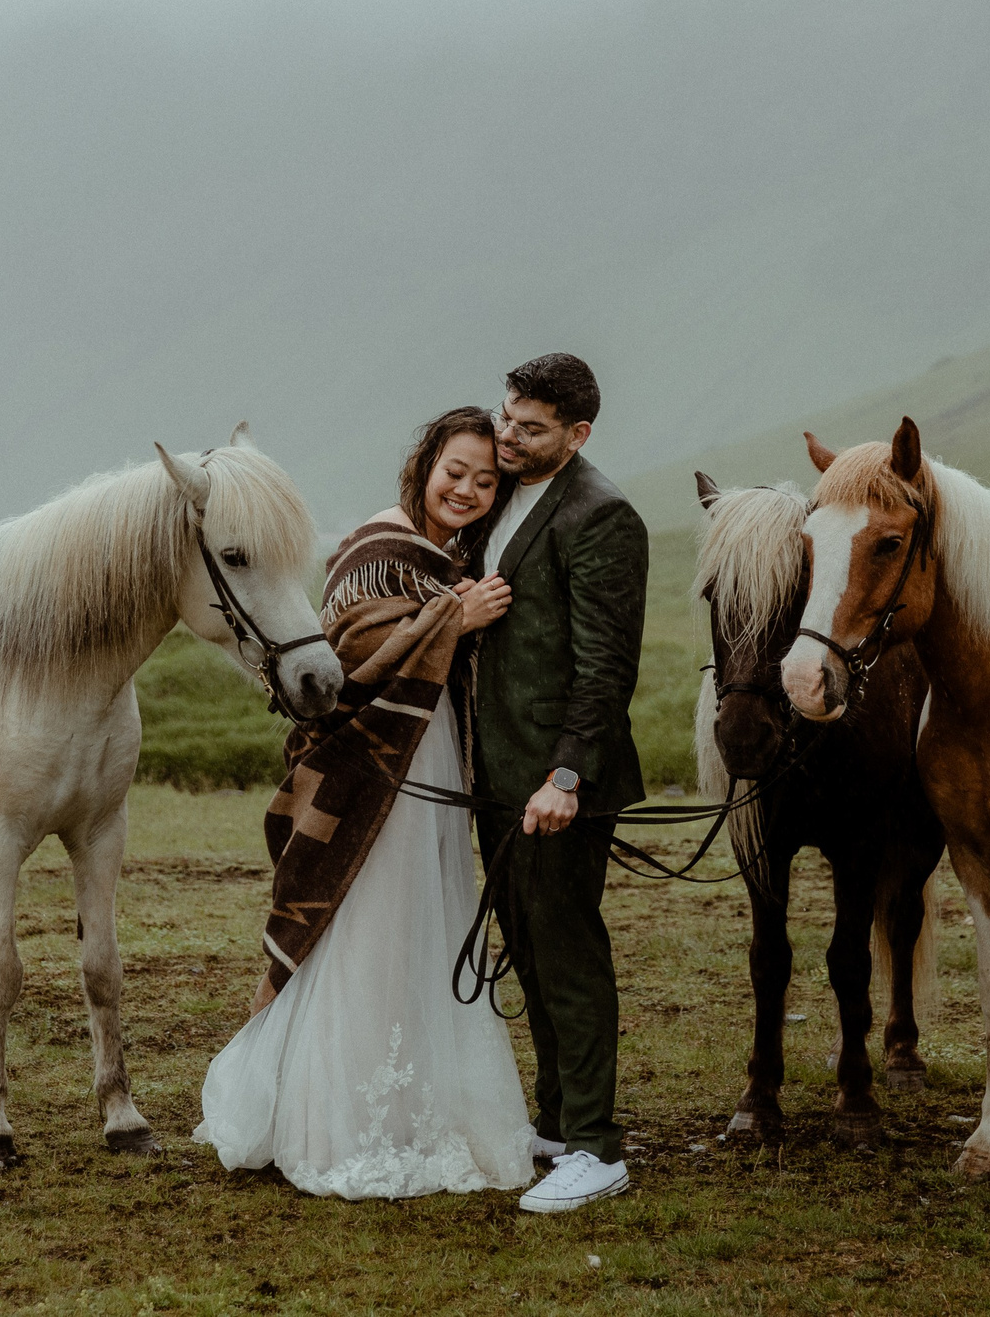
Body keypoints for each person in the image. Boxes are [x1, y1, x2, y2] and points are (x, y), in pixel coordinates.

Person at [193, 408, 535, 1198]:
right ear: (425, 462)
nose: (469, 490)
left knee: (422, 922)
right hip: (381, 764)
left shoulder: (444, 553)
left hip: (428, 752)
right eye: (457, 470)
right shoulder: (380, 549)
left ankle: (414, 1106)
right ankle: (335, 1121)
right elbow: (352, 662)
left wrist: (450, 611)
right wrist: (455, 615)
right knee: (372, 927)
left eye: (487, 481)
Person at [475, 353, 649, 1214]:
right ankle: (553, 1124)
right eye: (507, 416)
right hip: (499, 777)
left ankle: (597, 1147)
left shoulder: (603, 515)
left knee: (570, 954)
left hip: (557, 786)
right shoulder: (507, 493)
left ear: (578, 434)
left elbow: (605, 667)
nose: (508, 435)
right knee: (530, 952)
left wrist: (566, 776)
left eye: (530, 427)